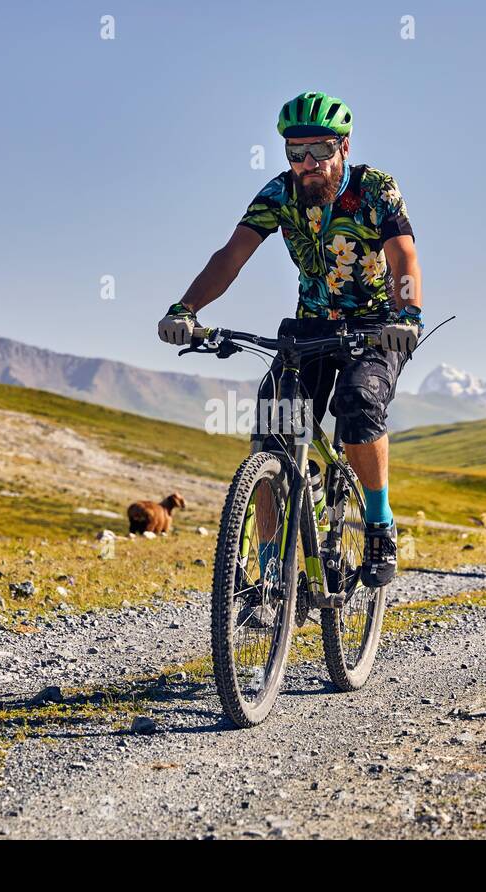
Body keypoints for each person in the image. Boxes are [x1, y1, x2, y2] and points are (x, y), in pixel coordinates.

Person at [157, 91, 423, 586]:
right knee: (271, 431)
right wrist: (186, 308)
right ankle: (273, 575)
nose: (308, 164)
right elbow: (231, 256)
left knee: (359, 403)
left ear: (344, 147)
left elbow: (403, 256)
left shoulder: (376, 190)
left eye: (320, 150)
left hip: (376, 325)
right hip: (310, 326)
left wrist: (408, 316)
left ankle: (379, 523)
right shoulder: (278, 195)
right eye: (296, 153)